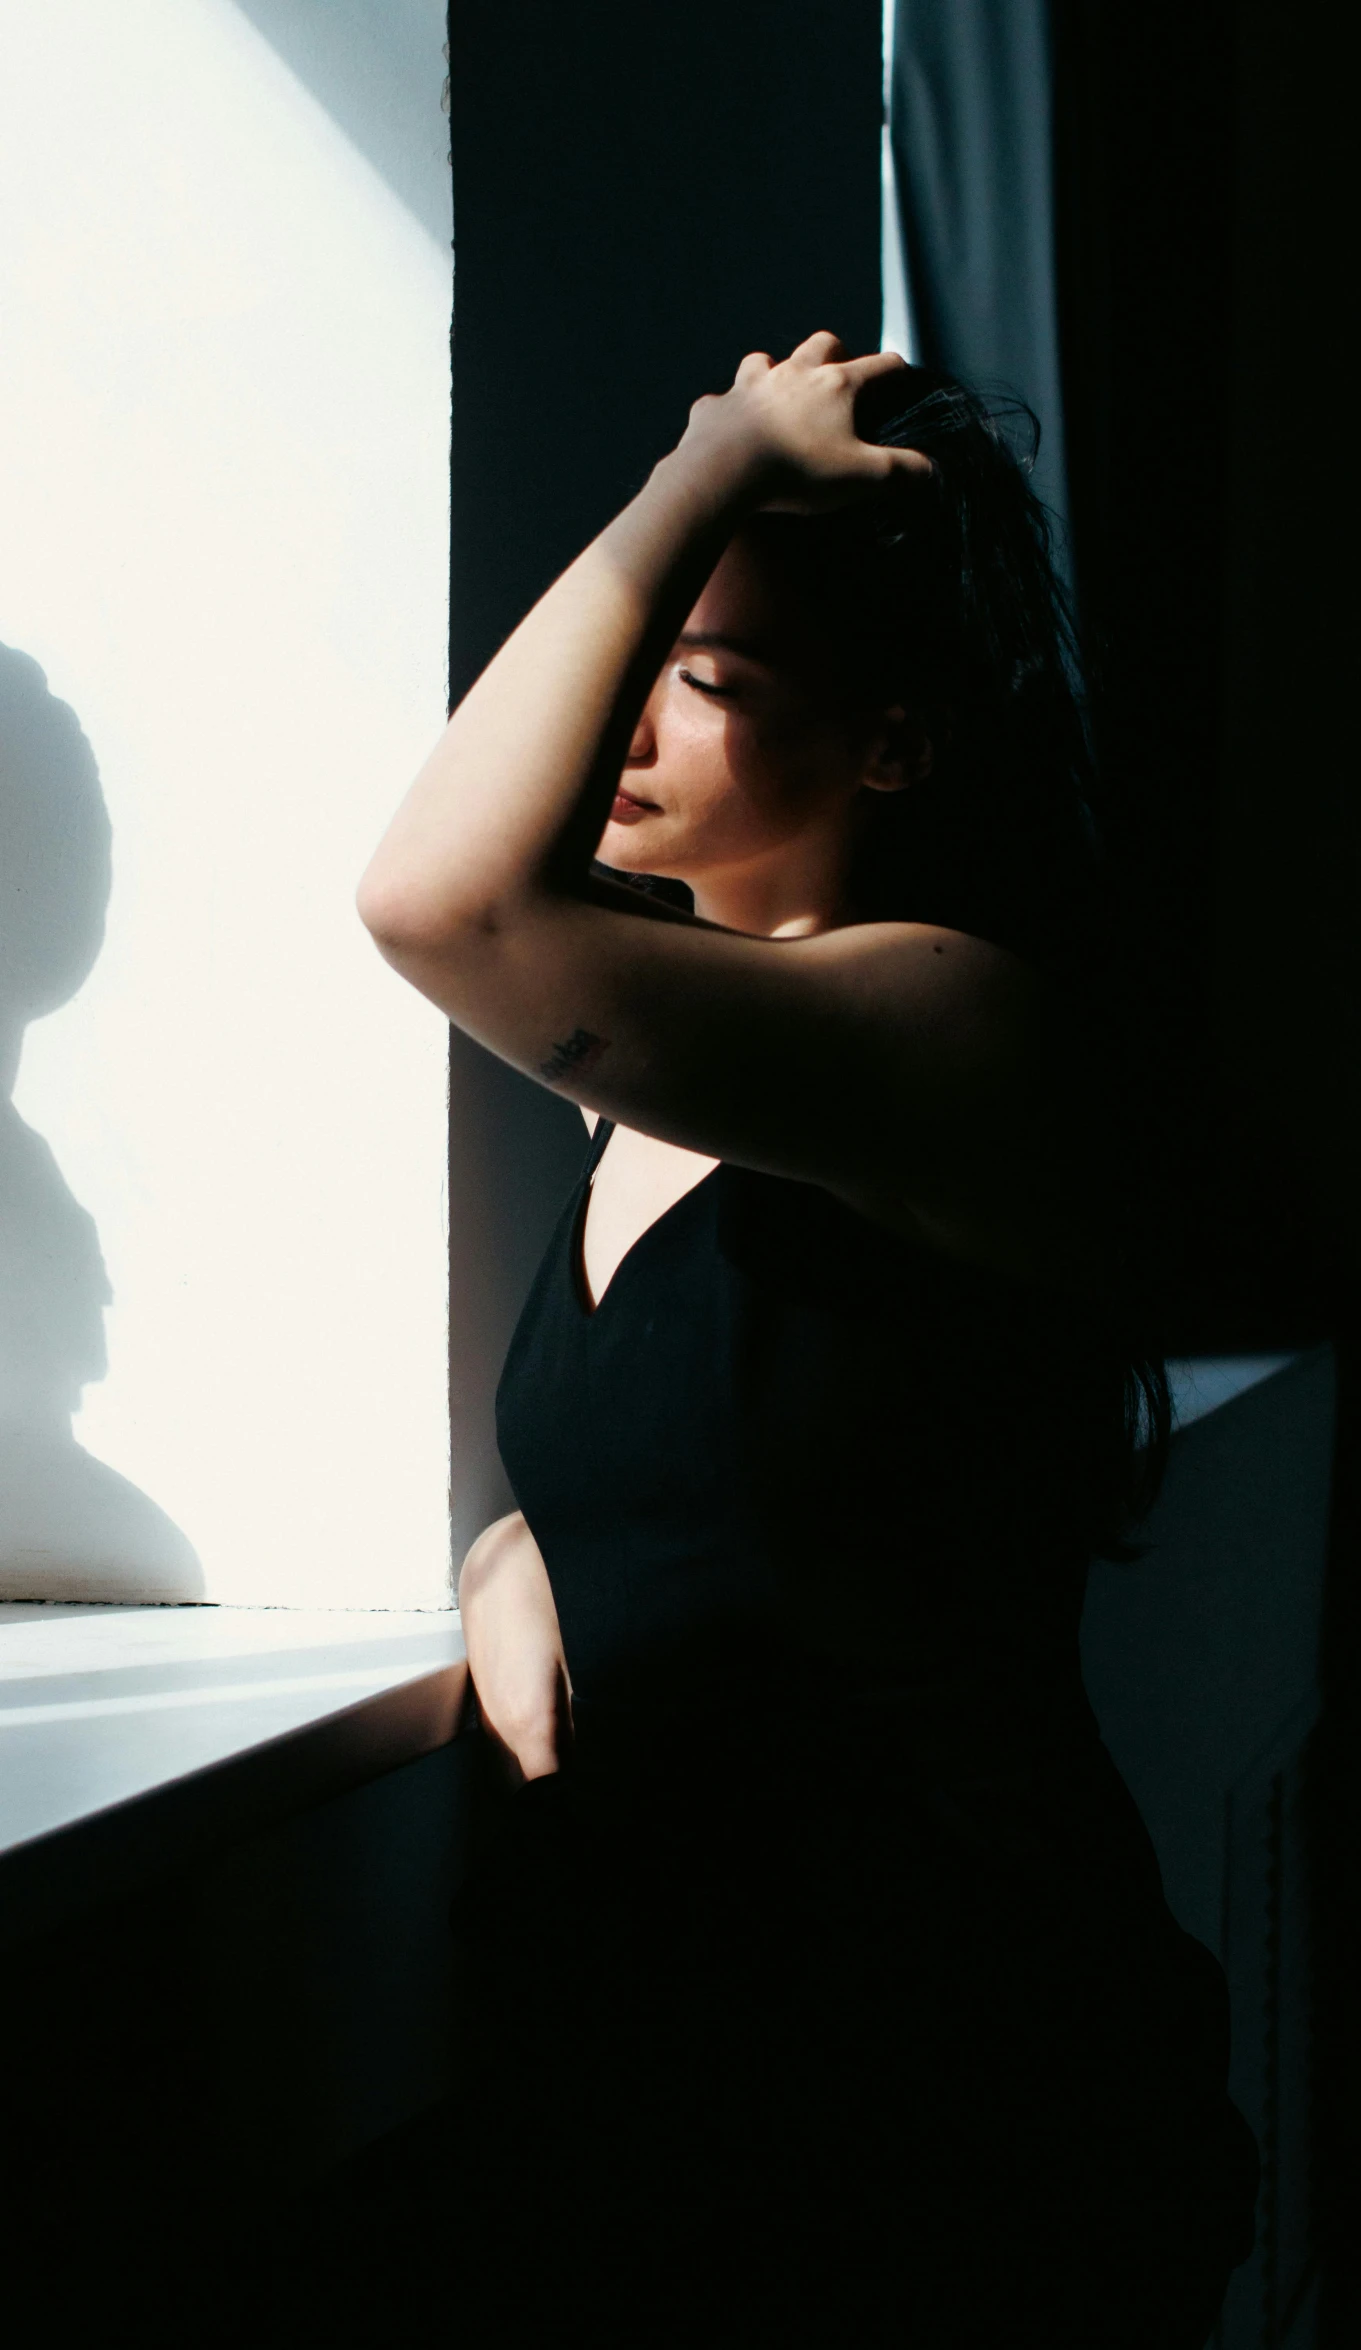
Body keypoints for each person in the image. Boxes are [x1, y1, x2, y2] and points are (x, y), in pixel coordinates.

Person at [358, 333, 1258, 2345]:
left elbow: (430, 898)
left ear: (893, 746)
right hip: (693, 2079)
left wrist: (704, 469)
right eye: (644, 652)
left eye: (707, 674)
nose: (626, 717)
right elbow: (703, 1470)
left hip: (955, 2090)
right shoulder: (656, 1066)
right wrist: (520, 1554)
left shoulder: (951, 1025)